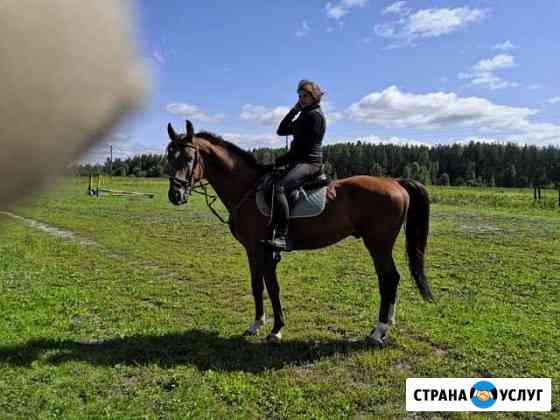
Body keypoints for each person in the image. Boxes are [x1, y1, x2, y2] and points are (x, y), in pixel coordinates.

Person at [265, 79, 326, 250]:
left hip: (309, 162)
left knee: (280, 187)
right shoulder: (304, 115)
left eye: (305, 96)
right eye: (299, 96)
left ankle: (283, 236)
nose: (302, 99)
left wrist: (283, 160)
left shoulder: (315, 116)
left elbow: (303, 148)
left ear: (314, 96)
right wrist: (294, 110)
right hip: (299, 159)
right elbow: (281, 130)